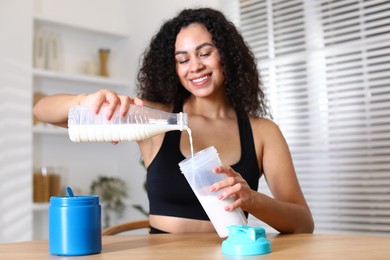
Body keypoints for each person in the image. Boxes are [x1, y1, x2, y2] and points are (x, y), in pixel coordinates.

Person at [34, 8, 314, 234]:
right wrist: (85, 100)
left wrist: (252, 199)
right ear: (173, 68)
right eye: (183, 59)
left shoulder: (262, 132)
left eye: (205, 53)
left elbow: (302, 222)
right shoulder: (155, 119)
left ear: (227, 56)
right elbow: (42, 111)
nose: (195, 66)